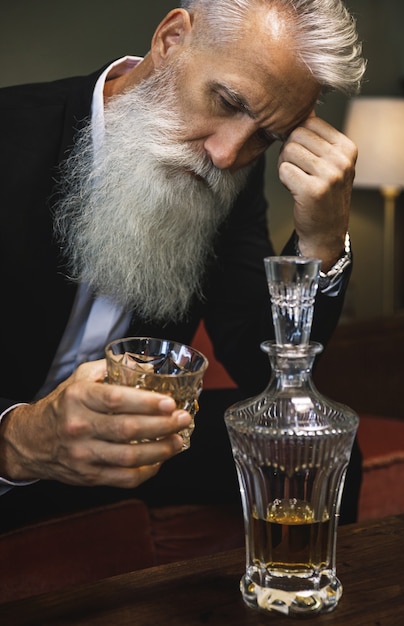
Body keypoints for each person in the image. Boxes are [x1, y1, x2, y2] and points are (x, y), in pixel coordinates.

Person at [0, 0, 365, 541]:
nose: (227, 155)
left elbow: (260, 362)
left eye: (265, 135)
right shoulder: (11, 134)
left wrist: (323, 240)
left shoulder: (228, 173)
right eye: (227, 100)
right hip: (13, 455)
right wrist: (20, 442)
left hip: (135, 453)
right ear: (171, 38)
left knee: (311, 443)